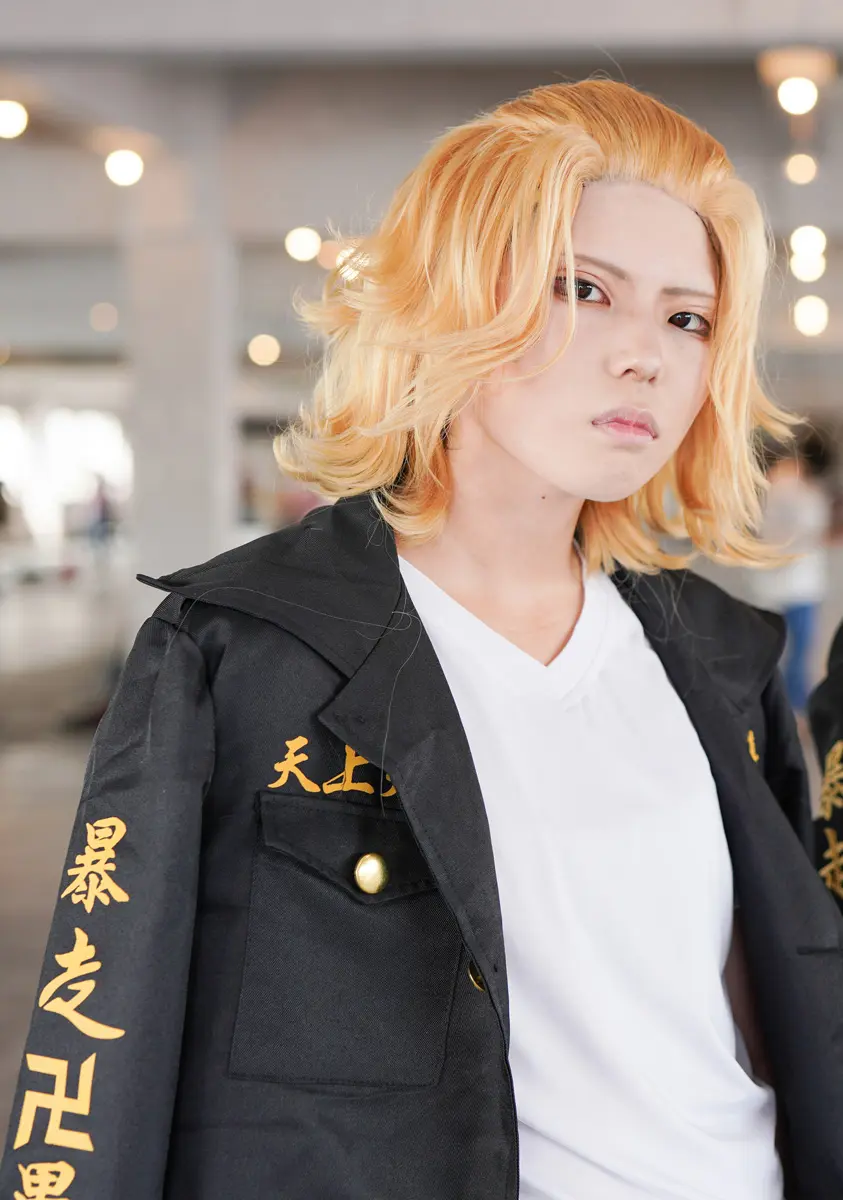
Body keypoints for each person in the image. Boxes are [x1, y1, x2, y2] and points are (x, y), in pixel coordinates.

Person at [2, 79, 841, 1200]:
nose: (645, 354)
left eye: (686, 318)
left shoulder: (721, 662)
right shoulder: (238, 656)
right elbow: (97, 1062)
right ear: (457, 300)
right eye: (584, 289)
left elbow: (768, 1008)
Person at [750, 446, 831, 716]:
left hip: (800, 588)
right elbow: (764, 534)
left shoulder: (809, 496)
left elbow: (812, 531)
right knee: (771, 649)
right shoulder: (765, 498)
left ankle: (794, 707)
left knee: (798, 651)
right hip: (774, 590)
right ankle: (774, 707)